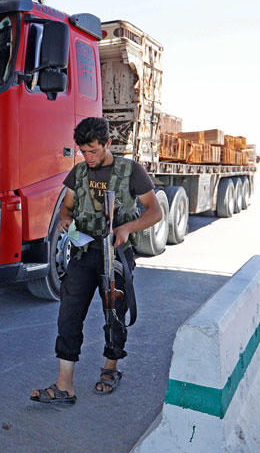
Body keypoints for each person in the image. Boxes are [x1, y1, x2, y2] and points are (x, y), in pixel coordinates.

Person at [30, 117, 163, 405]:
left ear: (107, 144)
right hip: (83, 253)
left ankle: (110, 368)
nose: (87, 157)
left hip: (116, 254)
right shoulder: (78, 174)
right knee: (68, 315)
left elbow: (155, 212)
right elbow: (66, 208)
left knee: (114, 314)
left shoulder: (131, 171)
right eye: (83, 151)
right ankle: (65, 385)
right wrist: (65, 221)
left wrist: (127, 228)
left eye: (93, 151)